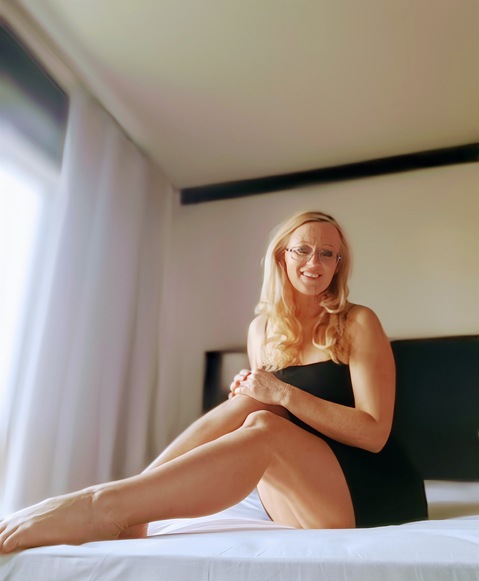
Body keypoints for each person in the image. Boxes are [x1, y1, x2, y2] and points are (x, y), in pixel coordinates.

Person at [0, 210, 427, 553]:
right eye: (303, 250)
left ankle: (104, 505)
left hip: (368, 490)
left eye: (328, 254)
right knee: (254, 410)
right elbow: (276, 414)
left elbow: (374, 434)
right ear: (282, 257)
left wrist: (281, 392)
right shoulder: (261, 330)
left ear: (338, 265)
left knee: (265, 421)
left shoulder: (357, 322)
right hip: (300, 489)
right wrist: (260, 393)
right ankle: (133, 509)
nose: (315, 263)